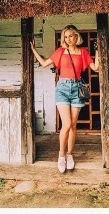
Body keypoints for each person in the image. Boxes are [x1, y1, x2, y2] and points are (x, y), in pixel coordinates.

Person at [30, 25, 100, 173]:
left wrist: (98, 50)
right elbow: (43, 64)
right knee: (66, 124)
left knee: (73, 125)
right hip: (62, 88)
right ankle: (61, 155)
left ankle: (69, 154)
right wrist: (33, 50)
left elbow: (96, 68)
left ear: (76, 36)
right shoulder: (61, 51)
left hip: (77, 88)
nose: (68, 39)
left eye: (71, 36)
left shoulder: (83, 52)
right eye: (65, 36)